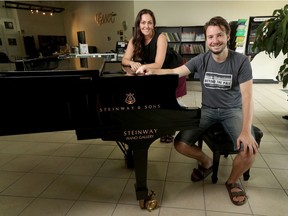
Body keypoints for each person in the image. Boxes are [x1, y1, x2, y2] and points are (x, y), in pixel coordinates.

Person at [136, 16, 259, 206]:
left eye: (219, 35)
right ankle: (207, 162)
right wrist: (150, 70)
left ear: (228, 36)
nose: (214, 40)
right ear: (206, 40)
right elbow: (174, 72)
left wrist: (245, 131)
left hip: (232, 110)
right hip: (208, 110)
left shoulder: (241, 61)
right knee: (180, 144)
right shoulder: (201, 59)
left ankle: (232, 181)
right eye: (210, 37)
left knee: (249, 151)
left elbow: (248, 98)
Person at [122, 8, 187, 143]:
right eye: (143, 22)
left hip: (172, 68)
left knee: (170, 100)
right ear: (138, 24)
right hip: (154, 69)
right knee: (156, 98)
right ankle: (157, 125)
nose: (146, 26)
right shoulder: (134, 39)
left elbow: (158, 64)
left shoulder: (161, 38)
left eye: (150, 23)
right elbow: (124, 60)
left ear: (154, 24)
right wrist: (133, 63)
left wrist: (142, 67)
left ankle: (169, 131)